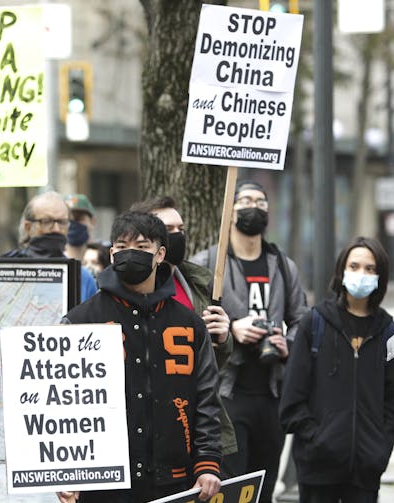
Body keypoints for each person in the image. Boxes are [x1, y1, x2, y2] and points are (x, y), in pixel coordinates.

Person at [57, 211, 222, 503]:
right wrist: (67, 471)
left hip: (175, 483)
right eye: (121, 246)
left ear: (160, 254)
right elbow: (60, 403)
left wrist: (207, 463)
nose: (130, 254)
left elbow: (207, 398)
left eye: (142, 247)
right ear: (111, 253)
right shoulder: (80, 321)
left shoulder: (190, 324)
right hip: (104, 485)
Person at [190, 180, 308, 503]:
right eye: (244, 200)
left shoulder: (282, 265)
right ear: (230, 210)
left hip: (271, 394)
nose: (252, 207)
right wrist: (232, 329)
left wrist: (288, 342)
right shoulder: (208, 263)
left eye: (260, 202)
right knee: (231, 490)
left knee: (264, 489)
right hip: (226, 394)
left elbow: (301, 319)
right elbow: (191, 321)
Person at [280, 237, 394, 503]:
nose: (362, 274)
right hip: (317, 472)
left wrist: (379, 447)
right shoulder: (314, 323)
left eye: (370, 269)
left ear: (380, 275)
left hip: (365, 474)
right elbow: (291, 401)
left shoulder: (388, 332)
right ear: (342, 271)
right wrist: (318, 441)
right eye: (355, 266)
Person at [131, 195, 237, 456]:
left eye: (181, 229)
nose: (178, 236)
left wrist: (223, 338)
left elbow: (212, 364)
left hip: (195, 422)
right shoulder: (125, 288)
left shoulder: (198, 282)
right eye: (168, 230)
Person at [3, 191, 97, 302]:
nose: (56, 229)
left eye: (62, 222)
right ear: (28, 227)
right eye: (47, 221)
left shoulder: (82, 278)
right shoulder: (4, 273)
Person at [64, 193, 96, 260]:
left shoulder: (104, 257)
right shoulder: (55, 261)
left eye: (78, 218)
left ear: (92, 221)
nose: (73, 223)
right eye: (67, 219)